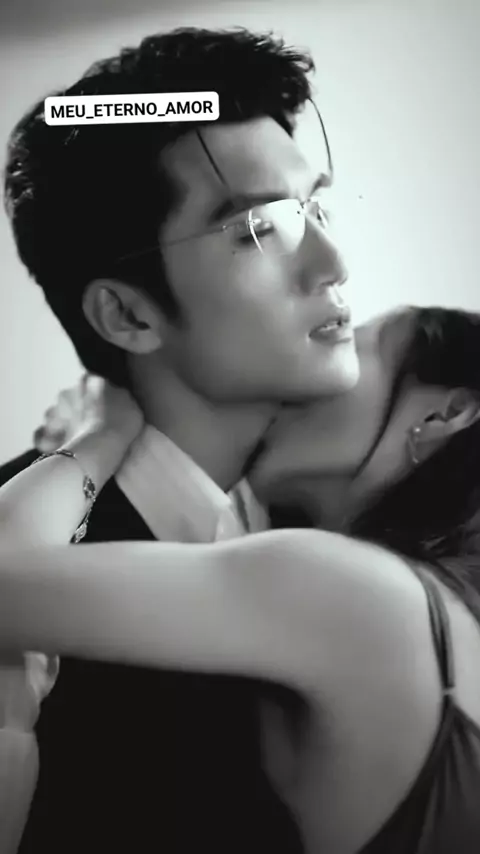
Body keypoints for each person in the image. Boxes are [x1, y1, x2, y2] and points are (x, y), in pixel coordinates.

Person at [0, 26, 359, 854]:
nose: (333, 262)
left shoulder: (344, 515)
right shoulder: (24, 573)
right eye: (260, 229)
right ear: (128, 314)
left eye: (315, 208)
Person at [1, 304, 480, 854]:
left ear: (446, 414)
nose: (300, 380)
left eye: (354, 344)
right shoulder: (445, 621)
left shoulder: (360, 594)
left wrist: (98, 433)